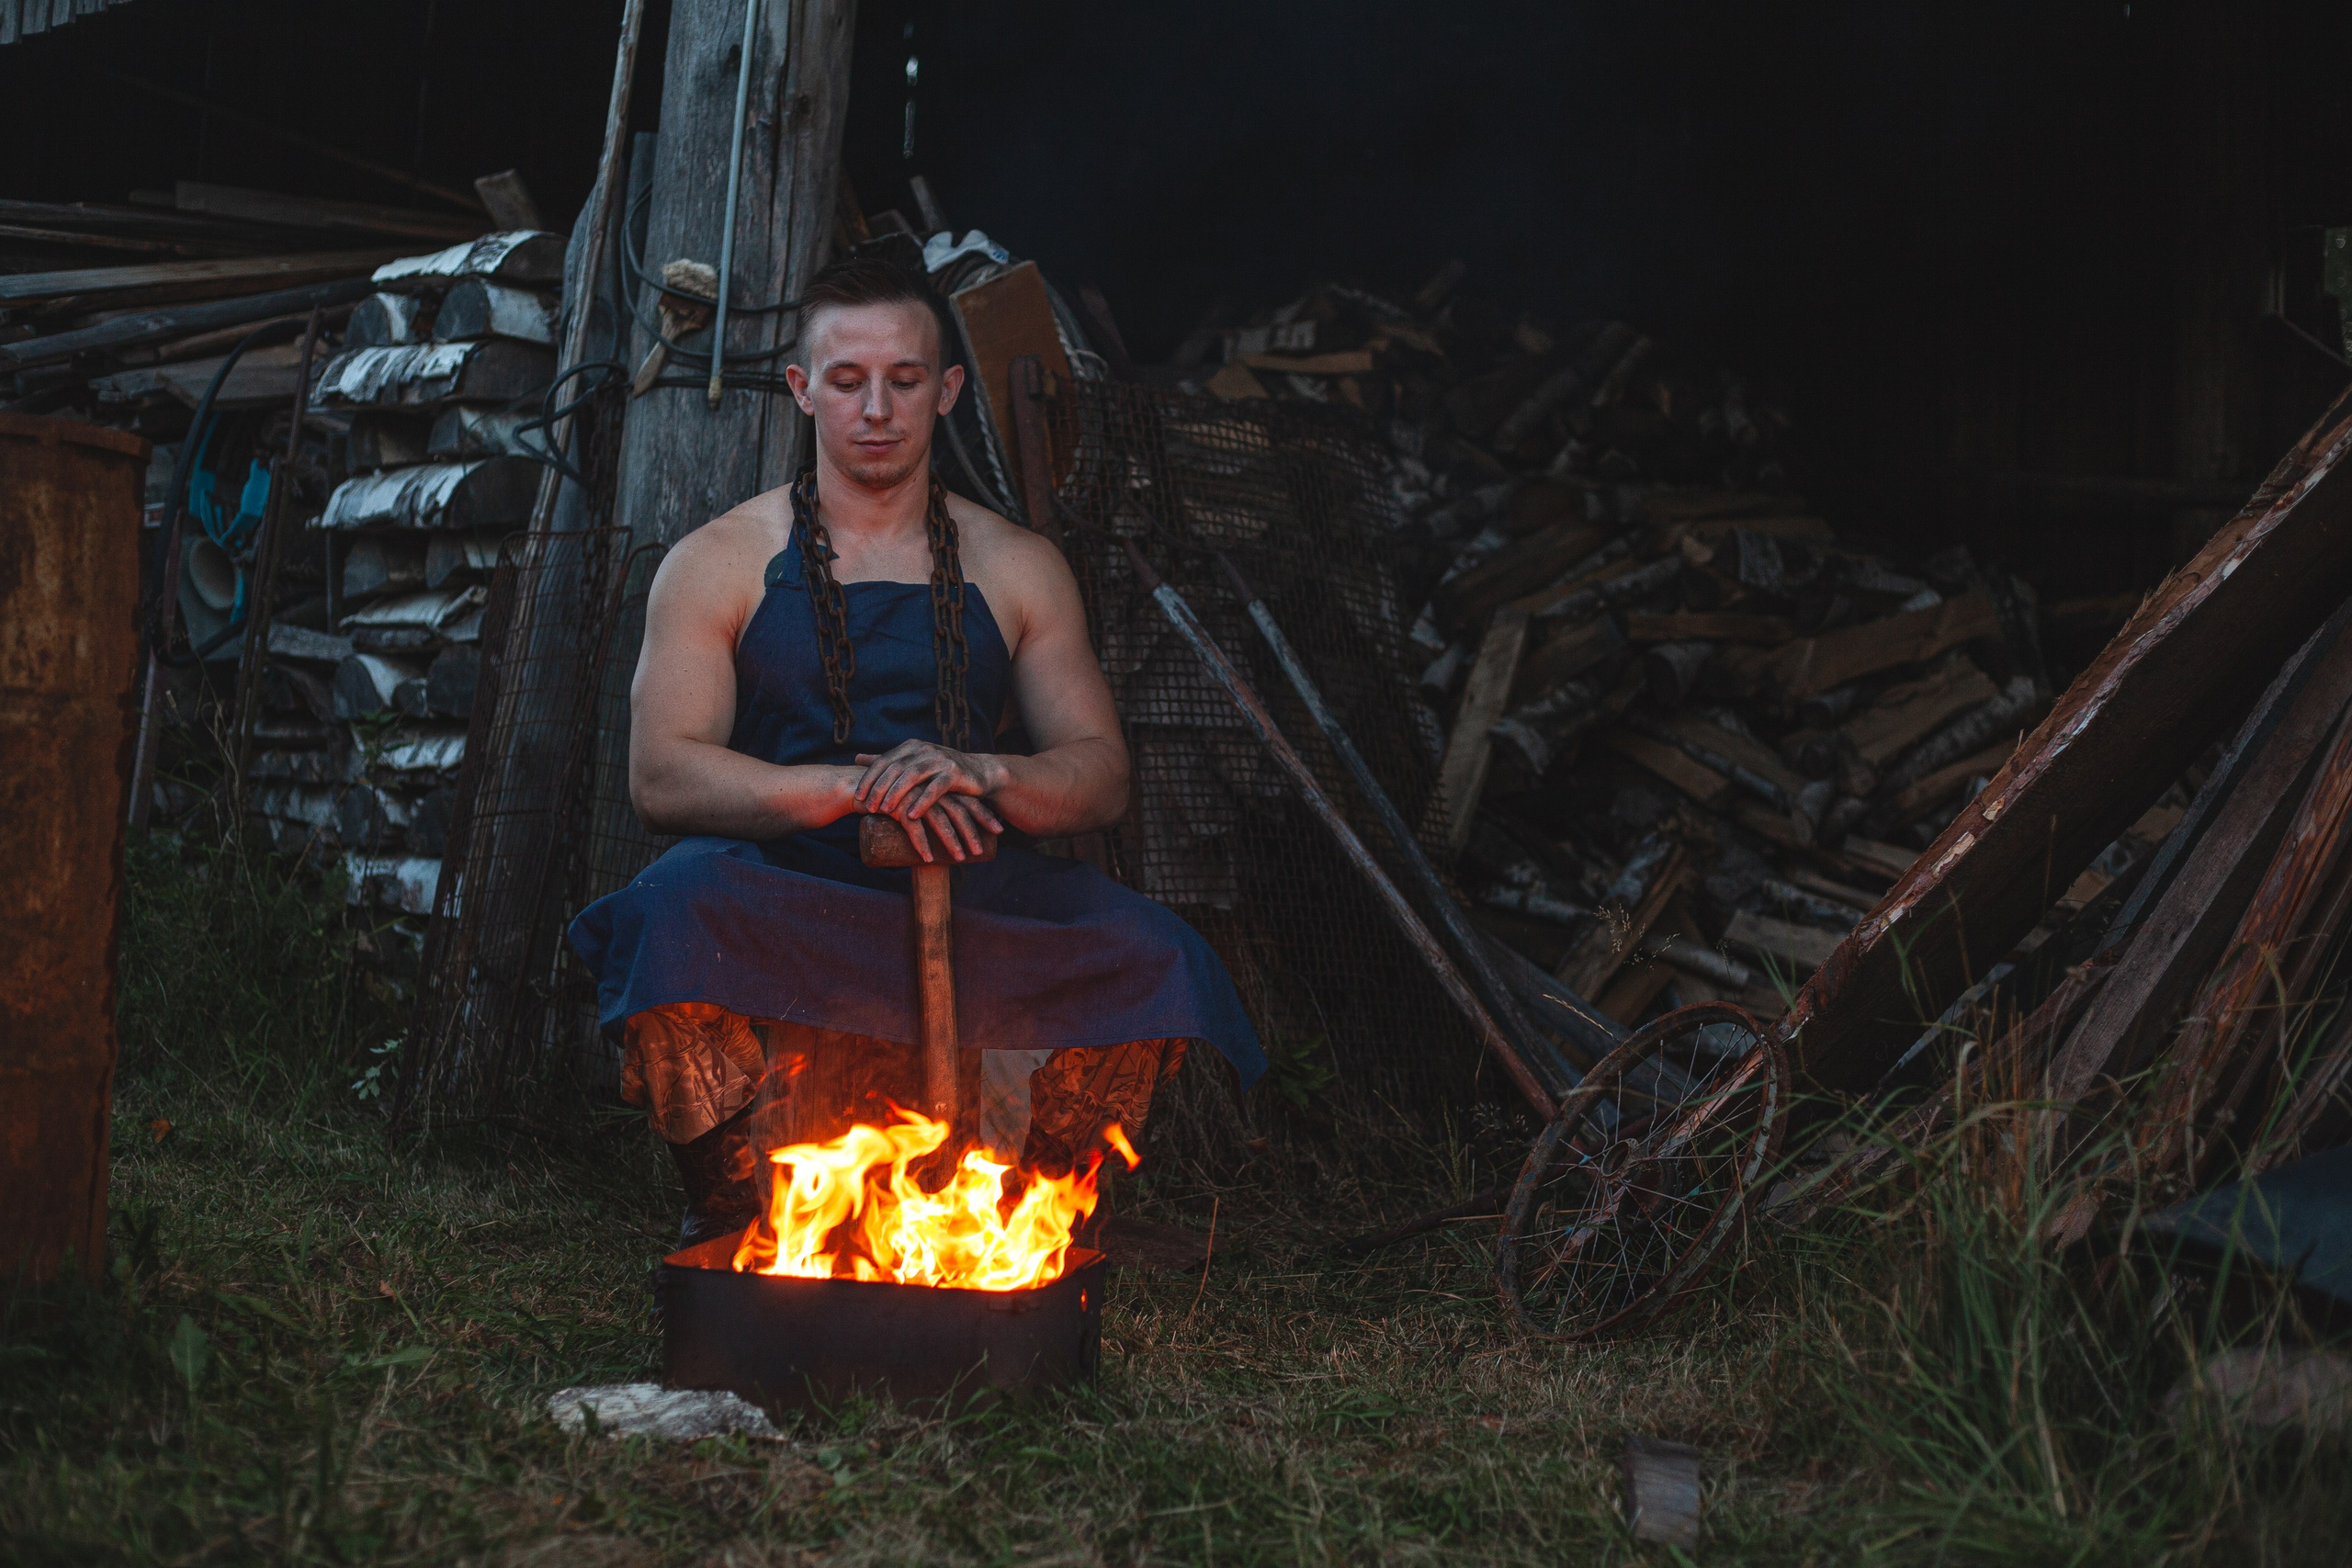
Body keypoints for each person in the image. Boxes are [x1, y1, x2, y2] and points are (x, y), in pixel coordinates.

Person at [569, 256, 1264, 1243]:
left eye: (904, 380)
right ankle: (746, 1218)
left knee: (1156, 957)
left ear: (946, 392)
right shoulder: (718, 560)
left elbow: (1099, 770)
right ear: (802, 391)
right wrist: (849, 790)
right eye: (846, 381)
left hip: (976, 877)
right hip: (783, 877)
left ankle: (1016, 1229)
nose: (876, 409)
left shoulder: (1017, 564)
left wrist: (986, 771)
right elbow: (663, 774)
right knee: (666, 914)